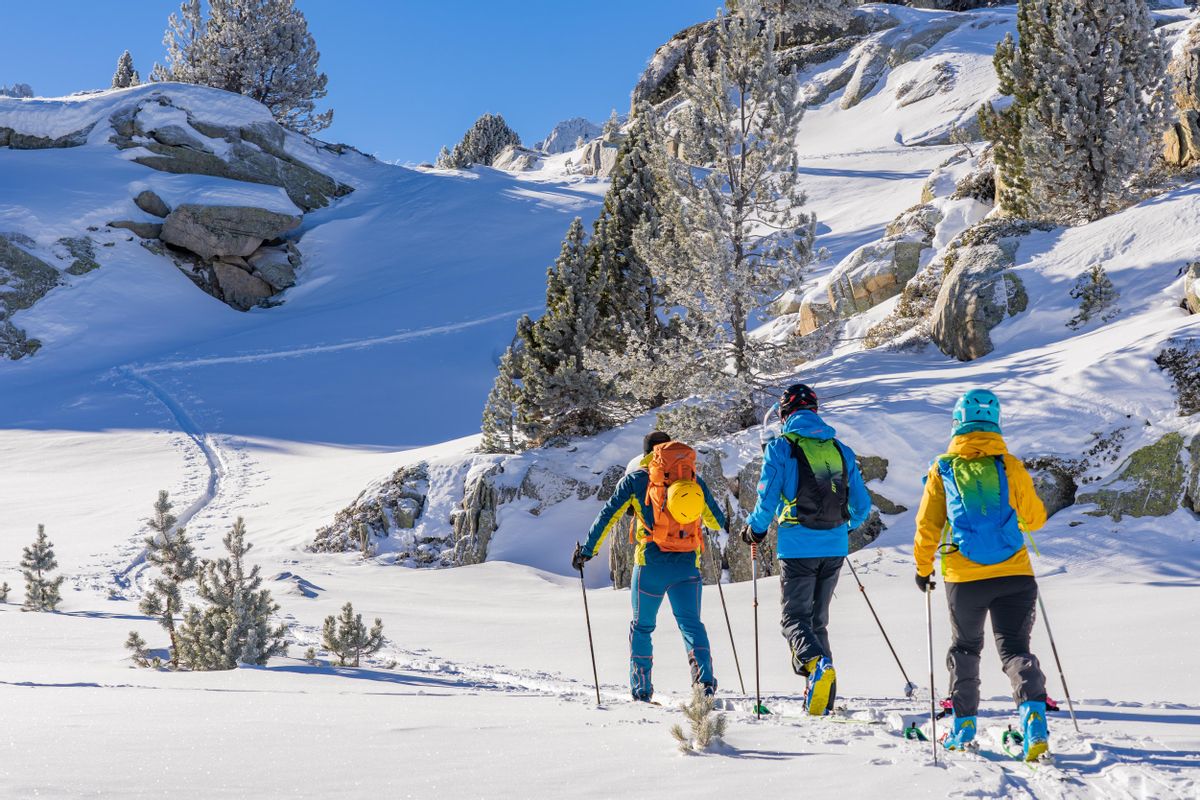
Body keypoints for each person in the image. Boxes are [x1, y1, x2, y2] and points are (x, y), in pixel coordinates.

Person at [913, 389, 1051, 761]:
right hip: (1016, 574)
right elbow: (1036, 518)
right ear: (997, 422)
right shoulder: (1009, 464)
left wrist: (923, 569)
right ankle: (1034, 720)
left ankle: (963, 728)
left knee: (965, 649)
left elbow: (928, 525)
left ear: (958, 423)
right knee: (1016, 651)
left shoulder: (942, 467)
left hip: (964, 577)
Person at [742, 384, 871, 716]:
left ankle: (816, 666)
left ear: (785, 415)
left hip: (798, 546)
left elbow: (767, 498)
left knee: (793, 618)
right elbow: (861, 505)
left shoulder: (781, 448)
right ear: (815, 411)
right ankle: (823, 699)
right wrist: (844, 528)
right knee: (818, 622)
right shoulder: (840, 449)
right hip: (835, 545)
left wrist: (754, 531)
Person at [573, 432, 727, 702]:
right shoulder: (691, 479)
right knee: (691, 625)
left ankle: (642, 689)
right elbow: (716, 521)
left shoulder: (636, 480)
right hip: (687, 565)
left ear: (646, 452)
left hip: (650, 565)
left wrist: (587, 550)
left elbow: (608, 515)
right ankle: (704, 684)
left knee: (642, 626)